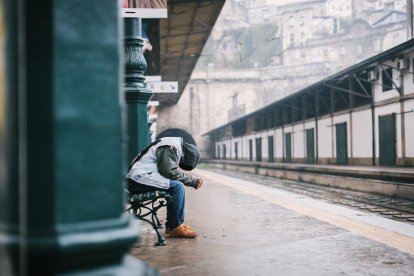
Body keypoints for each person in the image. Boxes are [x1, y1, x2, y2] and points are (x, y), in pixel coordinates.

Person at [127, 137, 203, 238]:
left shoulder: (171, 144)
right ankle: (175, 226)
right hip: (138, 179)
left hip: (139, 177)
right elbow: (169, 171)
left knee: (176, 185)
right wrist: (192, 180)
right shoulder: (170, 146)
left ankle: (173, 225)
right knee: (177, 186)